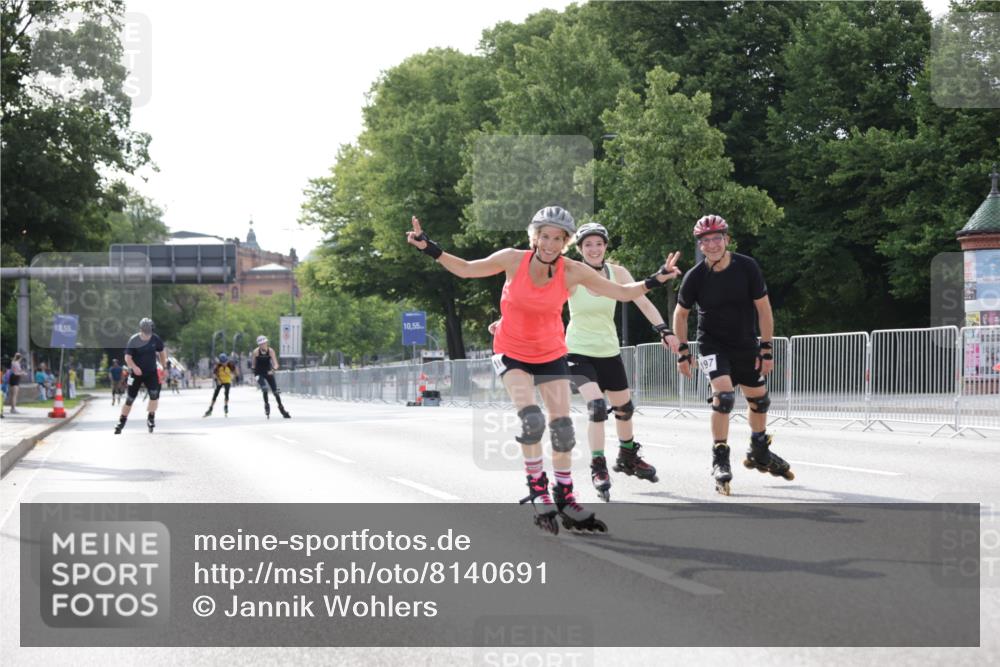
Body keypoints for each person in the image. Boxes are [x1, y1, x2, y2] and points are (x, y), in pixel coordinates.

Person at [407, 207, 680, 533]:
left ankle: (564, 493)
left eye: (557, 238)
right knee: (533, 418)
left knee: (562, 426)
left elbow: (622, 292)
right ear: (535, 237)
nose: (550, 244)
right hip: (511, 351)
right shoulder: (513, 259)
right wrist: (430, 247)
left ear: (565, 242)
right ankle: (538, 487)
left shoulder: (573, 271)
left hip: (550, 351)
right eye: (545, 236)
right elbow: (466, 269)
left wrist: (656, 279)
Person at [672, 214, 793, 495]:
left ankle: (759, 449)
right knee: (724, 397)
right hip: (711, 344)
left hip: (745, 344)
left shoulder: (747, 267)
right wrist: (682, 351)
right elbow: (680, 315)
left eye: (717, 238)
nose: (712, 244)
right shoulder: (696, 276)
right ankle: (720, 458)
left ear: (727, 239)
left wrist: (766, 348)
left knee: (759, 401)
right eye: (706, 241)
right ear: (700, 246)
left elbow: (764, 310)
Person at [565, 221, 681, 500]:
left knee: (624, 408)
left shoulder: (617, 273)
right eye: (588, 245)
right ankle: (598, 466)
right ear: (580, 249)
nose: (594, 249)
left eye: (599, 244)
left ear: (605, 246)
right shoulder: (570, 274)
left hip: (608, 350)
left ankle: (628, 456)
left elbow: (640, 300)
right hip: (577, 351)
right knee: (595, 408)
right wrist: (506, 320)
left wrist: (664, 330)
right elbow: (541, 302)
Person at [114, 317, 167, 434]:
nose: (147, 334)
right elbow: (127, 357)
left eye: (149, 331)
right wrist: (134, 367)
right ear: (141, 330)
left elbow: (162, 352)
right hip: (135, 373)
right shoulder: (134, 340)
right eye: (145, 332)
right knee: (130, 398)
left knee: (154, 395)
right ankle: (121, 421)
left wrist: (164, 367)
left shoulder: (155, 339)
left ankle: (151, 417)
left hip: (151, 372)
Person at [251, 335, 290, 419]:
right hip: (259, 372)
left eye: (264, 343)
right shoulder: (256, 352)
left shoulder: (271, 351)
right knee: (264, 388)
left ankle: (281, 408)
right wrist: (254, 374)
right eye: (261, 344)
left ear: (266, 343)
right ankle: (266, 404)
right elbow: (253, 365)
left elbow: (276, 364)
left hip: (268, 372)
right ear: (259, 345)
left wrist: (272, 370)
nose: (263, 345)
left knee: (276, 392)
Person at [204, 353, 236, 417]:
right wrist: (217, 380)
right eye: (222, 362)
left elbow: (235, 372)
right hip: (220, 381)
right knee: (215, 394)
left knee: (226, 393)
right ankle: (210, 408)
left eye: (225, 362)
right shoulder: (218, 366)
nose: (224, 364)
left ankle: (226, 406)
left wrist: (233, 376)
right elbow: (214, 374)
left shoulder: (230, 365)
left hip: (227, 381)